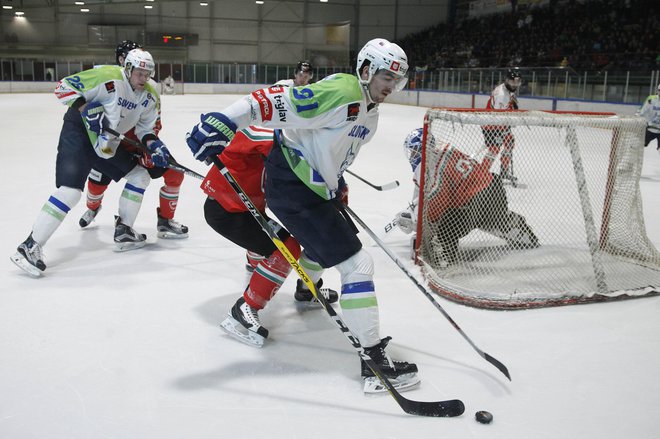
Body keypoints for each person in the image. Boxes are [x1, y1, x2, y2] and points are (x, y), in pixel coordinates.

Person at [185, 38, 418, 394]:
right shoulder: (342, 90)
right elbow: (270, 102)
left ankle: (305, 291)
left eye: (397, 81)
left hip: (312, 191)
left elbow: (332, 153)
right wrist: (223, 120)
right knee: (357, 265)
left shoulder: (369, 113)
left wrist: (335, 182)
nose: (391, 86)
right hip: (293, 188)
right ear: (367, 70)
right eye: (386, 76)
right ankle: (374, 364)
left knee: (315, 249)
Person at [10, 48, 170, 276]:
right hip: (79, 132)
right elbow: (63, 87)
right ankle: (29, 247)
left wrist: (153, 144)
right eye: (139, 74)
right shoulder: (107, 75)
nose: (144, 79)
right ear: (128, 69)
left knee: (139, 175)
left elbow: (145, 127)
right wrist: (85, 109)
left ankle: (124, 230)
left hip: (107, 140)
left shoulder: (151, 93)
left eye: (148, 74)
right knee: (70, 192)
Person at [201, 126, 338, 347]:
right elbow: (268, 144)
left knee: (283, 235)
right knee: (286, 247)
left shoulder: (289, 133)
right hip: (226, 211)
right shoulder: (263, 129)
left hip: (246, 207)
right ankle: (244, 309)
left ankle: (267, 272)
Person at [79, 40, 188, 241]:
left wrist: (151, 148)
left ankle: (165, 221)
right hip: (111, 144)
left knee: (174, 173)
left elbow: (153, 122)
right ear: (123, 61)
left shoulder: (150, 87)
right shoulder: (107, 79)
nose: (143, 73)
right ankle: (92, 207)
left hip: (138, 143)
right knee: (98, 180)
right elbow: (89, 111)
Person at [395, 128, 538, 268]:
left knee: (447, 223)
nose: (412, 156)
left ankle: (444, 255)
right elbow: (435, 190)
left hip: (479, 199)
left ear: (423, 150)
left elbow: (439, 204)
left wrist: (420, 224)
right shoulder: (442, 149)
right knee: (487, 219)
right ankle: (508, 221)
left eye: (414, 151)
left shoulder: (434, 169)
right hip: (492, 186)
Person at [485, 67, 521, 184]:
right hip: (490, 123)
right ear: (506, 81)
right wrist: (502, 131)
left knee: (509, 142)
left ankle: (504, 171)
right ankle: (482, 173)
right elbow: (496, 117)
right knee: (494, 149)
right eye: (512, 82)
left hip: (500, 123)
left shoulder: (507, 90)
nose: (514, 85)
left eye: (517, 82)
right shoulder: (502, 95)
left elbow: (507, 107)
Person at [637, 83, 660, 148]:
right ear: (657, 90)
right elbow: (641, 111)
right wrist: (637, 118)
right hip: (650, 128)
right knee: (638, 145)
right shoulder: (651, 99)